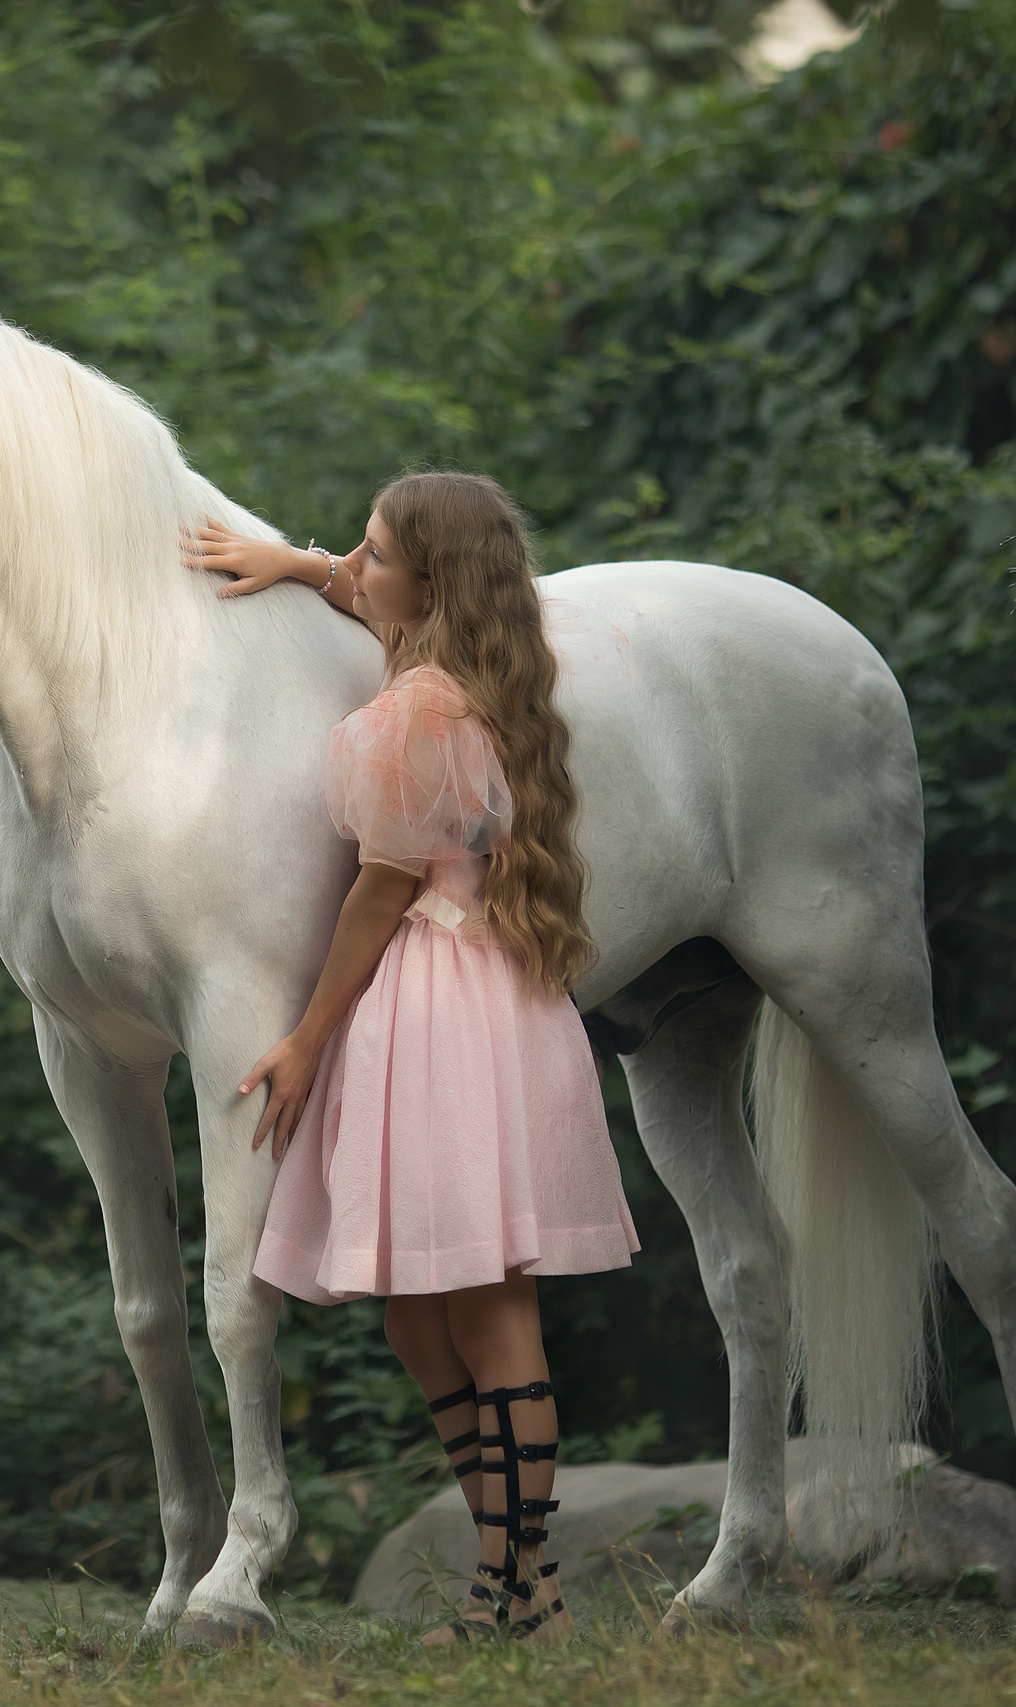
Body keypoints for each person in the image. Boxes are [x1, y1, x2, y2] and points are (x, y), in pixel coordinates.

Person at [183, 473, 637, 1644]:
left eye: (376, 553)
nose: (354, 560)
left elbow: (378, 894)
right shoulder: (467, 667)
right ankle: (517, 1581)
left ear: (431, 588)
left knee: (485, 1309)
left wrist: (300, 1040)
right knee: (415, 1319)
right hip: (475, 1000)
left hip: (442, 1008)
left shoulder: (421, 713)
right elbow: (354, 587)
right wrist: (295, 565)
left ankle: (518, 1595)